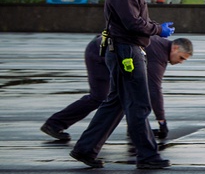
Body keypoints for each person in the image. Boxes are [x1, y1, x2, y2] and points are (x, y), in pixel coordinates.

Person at [69, 0, 175, 169]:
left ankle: (85, 149)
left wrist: (155, 29)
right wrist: (158, 29)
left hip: (122, 50)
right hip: (126, 51)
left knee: (115, 103)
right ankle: (147, 156)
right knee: (139, 104)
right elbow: (132, 23)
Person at [43, 35, 192, 143]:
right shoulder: (158, 54)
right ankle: (54, 124)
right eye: (181, 58)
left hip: (112, 53)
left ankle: (134, 130)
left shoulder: (161, 49)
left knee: (126, 93)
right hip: (99, 55)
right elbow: (154, 90)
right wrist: (161, 120)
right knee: (99, 97)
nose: (181, 62)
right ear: (175, 47)